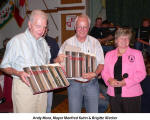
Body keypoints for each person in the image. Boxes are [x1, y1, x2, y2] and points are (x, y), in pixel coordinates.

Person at [0, 9, 51, 113]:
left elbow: (47, 65)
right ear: (30, 24)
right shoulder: (17, 41)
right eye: (38, 26)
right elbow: (4, 66)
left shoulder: (43, 43)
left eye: (44, 27)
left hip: (42, 88)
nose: (41, 30)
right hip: (24, 87)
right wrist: (18, 73)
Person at [59, 14, 104, 113]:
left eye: (85, 26)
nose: (82, 29)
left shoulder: (95, 43)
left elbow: (101, 64)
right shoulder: (67, 43)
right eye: (79, 26)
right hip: (74, 84)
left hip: (92, 84)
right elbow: (60, 64)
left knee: (93, 113)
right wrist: (61, 65)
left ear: (89, 27)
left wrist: (95, 73)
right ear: (75, 27)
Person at [101, 27, 146, 113]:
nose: (124, 40)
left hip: (132, 94)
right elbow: (104, 72)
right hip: (113, 94)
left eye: (127, 38)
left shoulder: (137, 53)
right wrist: (109, 80)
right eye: (122, 38)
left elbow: (142, 73)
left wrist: (126, 82)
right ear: (116, 40)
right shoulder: (109, 55)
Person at [44, 29, 59, 113]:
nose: (43, 30)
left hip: (49, 74)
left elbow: (57, 58)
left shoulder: (52, 41)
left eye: (45, 28)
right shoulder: (31, 41)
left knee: (48, 104)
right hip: (35, 75)